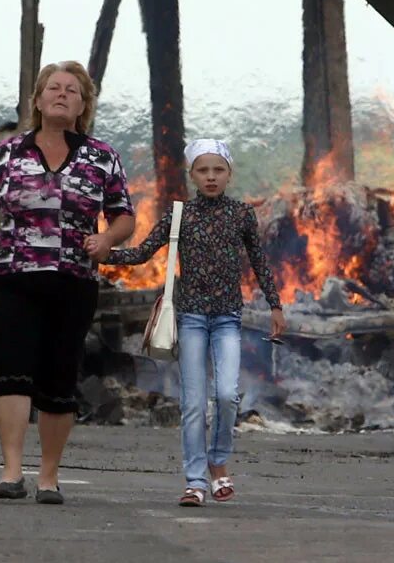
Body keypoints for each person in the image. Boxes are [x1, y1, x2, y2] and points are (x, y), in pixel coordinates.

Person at [0, 61, 135, 505]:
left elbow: (124, 217)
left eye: (72, 91)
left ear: (83, 105)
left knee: (60, 379)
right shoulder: (8, 153)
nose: (62, 95)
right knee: (12, 373)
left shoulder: (103, 156)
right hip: (13, 279)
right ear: (39, 100)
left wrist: (106, 239)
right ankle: (11, 472)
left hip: (73, 281)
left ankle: (48, 476)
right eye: (54, 88)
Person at [100, 138, 285, 507]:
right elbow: (142, 252)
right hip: (192, 319)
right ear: (193, 175)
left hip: (229, 318)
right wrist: (104, 253)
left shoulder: (241, 215)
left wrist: (275, 305)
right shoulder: (179, 214)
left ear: (229, 174)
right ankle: (196, 481)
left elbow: (260, 262)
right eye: (203, 170)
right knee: (194, 403)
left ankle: (218, 460)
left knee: (228, 395)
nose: (211, 177)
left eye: (218, 170)